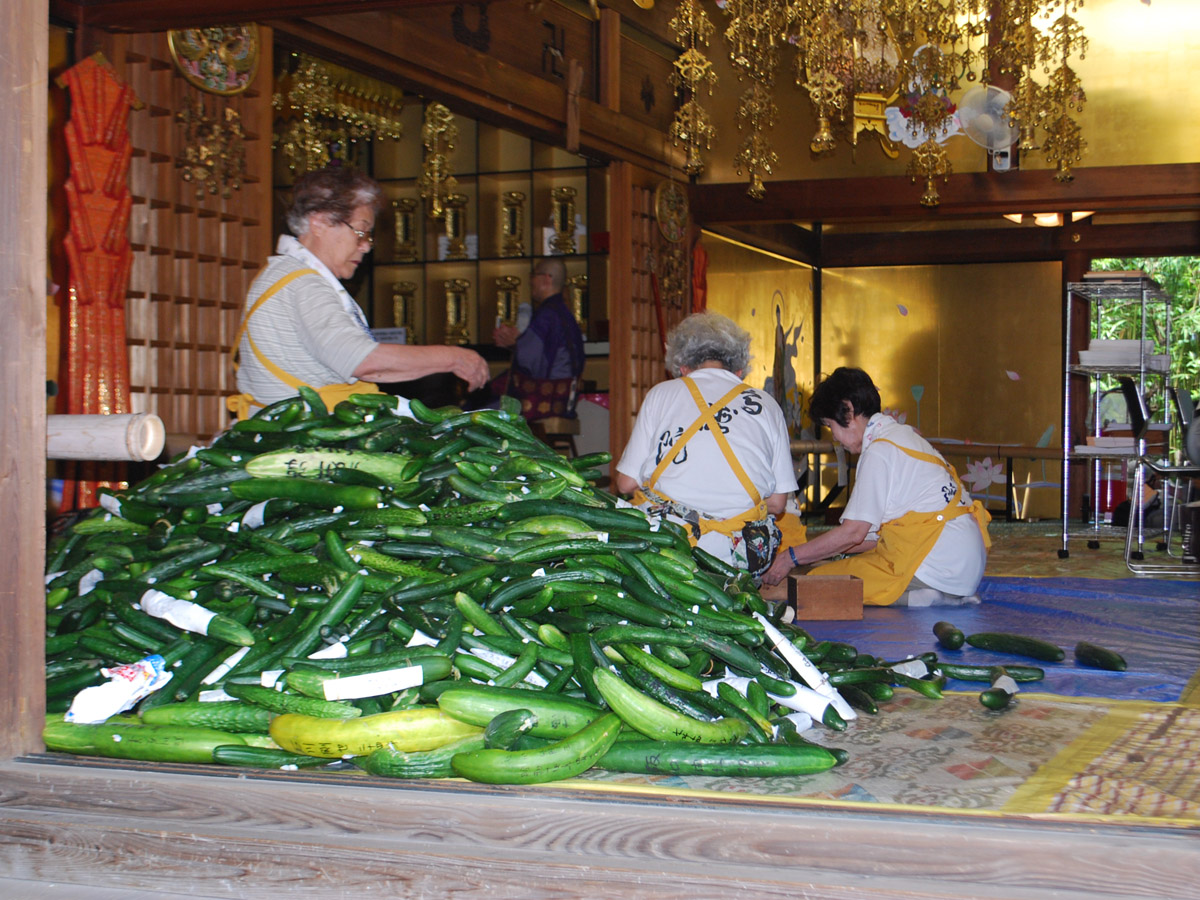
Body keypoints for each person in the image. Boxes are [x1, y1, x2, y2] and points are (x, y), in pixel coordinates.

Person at [228, 166, 489, 418]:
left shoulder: (286, 272)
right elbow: (363, 362)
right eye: (361, 232)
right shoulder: (303, 283)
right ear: (318, 223)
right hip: (299, 440)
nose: (365, 247)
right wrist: (453, 357)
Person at [762, 367, 991, 606]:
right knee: (832, 567)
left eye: (831, 426)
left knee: (813, 585)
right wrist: (818, 553)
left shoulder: (879, 451)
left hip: (936, 567)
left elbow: (853, 533)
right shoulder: (902, 436)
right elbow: (867, 539)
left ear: (848, 410)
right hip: (961, 566)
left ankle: (916, 597)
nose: (835, 439)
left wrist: (790, 558)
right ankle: (930, 594)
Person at [614, 312, 804, 576]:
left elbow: (625, 484)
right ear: (738, 371)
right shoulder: (766, 404)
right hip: (741, 555)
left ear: (682, 368)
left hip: (669, 549)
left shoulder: (661, 394)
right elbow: (777, 504)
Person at [490, 257, 585, 419]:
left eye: (534, 275)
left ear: (546, 278)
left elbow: (531, 363)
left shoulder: (547, 315)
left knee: (480, 406)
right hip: (563, 398)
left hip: (544, 397)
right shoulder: (565, 315)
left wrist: (515, 343)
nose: (531, 281)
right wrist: (518, 343)